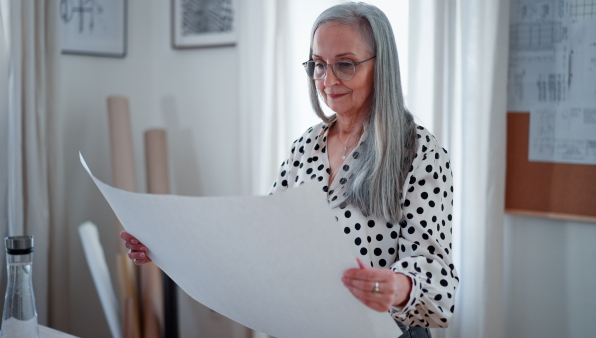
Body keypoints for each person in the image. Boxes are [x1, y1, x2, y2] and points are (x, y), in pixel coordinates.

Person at [121, 2, 457, 336]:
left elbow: (437, 278)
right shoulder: (305, 147)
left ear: (381, 67)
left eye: (345, 64)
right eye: (319, 65)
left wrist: (396, 287)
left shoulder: (418, 152)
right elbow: (261, 244)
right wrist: (163, 245)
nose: (328, 80)